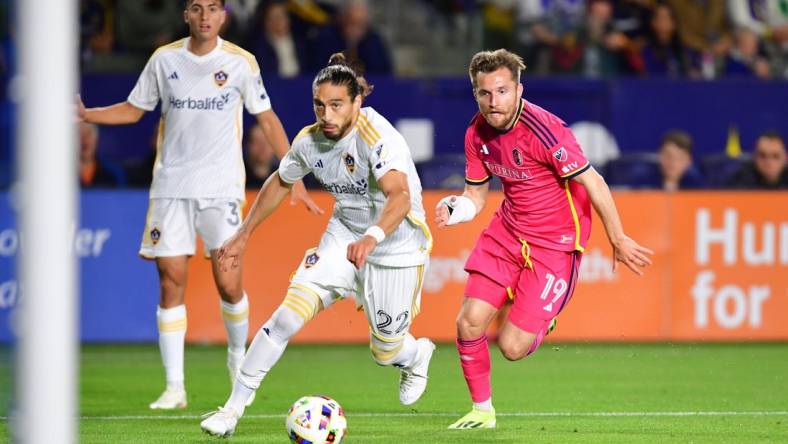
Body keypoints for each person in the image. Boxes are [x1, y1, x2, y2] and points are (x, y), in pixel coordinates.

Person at [76, 0, 321, 410]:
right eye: (196, 8)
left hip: (221, 189)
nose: (205, 16)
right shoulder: (164, 60)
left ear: (223, 16)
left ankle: (237, 360)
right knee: (171, 280)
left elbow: (268, 118)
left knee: (229, 282)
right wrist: (88, 114)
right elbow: (134, 110)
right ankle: (175, 387)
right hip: (170, 188)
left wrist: (291, 173)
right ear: (186, 15)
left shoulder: (241, 63)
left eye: (213, 8)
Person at [200, 53, 435, 437]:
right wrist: (243, 234)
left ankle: (416, 355)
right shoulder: (310, 141)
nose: (327, 114)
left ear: (357, 102)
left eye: (337, 105)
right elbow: (280, 179)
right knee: (287, 316)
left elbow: (400, 198)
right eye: (320, 105)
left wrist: (372, 238)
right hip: (343, 236)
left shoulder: (379, 137)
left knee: (385, 351)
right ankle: (231, 410)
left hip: (396, 246)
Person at [436, 49, 653, 429]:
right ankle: (482, 411)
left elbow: (594, 181)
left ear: (519, 89)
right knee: (469, 322)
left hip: (556, 243)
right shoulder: (476, 133)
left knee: (512, 348)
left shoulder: (545, 129)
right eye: (485, 93)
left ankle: (541, 319)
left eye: (502, 91)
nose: (494, 101)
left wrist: (617, 237)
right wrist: (457, 210)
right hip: (507, 232)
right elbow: (475, 196)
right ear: (475, 94)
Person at [78, 122, 122, 188]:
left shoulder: (113, 172)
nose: (85, 140)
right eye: (80, 135)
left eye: (89, 134)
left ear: (96, 138)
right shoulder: (61, 173)